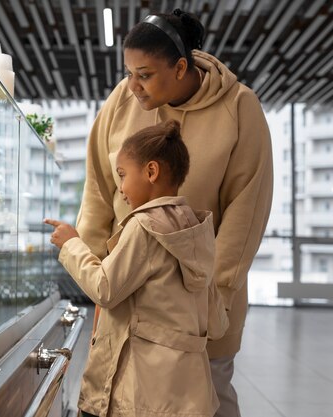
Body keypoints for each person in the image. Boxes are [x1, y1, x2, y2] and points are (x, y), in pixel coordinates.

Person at [75, 9, 273, 417]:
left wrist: (213, 296)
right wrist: (96, 274)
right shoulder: (122, 99)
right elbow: (98, 187)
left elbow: (246, 212)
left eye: (144, 75)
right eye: (129, 73)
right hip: (126, 289)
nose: (133, 86)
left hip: (200, 300)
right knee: (123, 398)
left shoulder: (240, 107)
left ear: (181, 67)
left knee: (204, 398)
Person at [45, 120, 228, 417]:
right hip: (183, 394)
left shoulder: (145, 226)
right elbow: (217, 322)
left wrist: (71, 244)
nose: (120, 188)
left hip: (137, 393)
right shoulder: (194, 230)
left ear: (151, 172)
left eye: (122, 174)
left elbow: (105, 288)